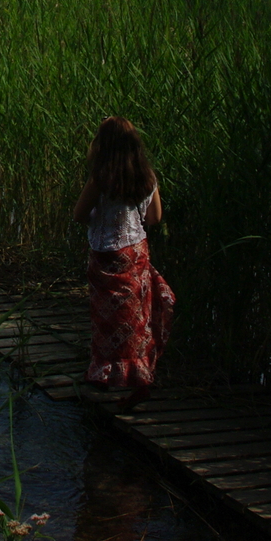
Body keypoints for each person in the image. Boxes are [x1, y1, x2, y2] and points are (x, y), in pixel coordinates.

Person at [73, 116, 175, 411]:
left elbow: (79, 214)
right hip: (135, 253)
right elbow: (154, 218)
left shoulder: (100, 178)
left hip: (106, 254)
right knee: (135, 318)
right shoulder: (147, 177)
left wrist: (103, 218)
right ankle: (138, 376)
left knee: (107, 319)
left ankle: (105, 374)